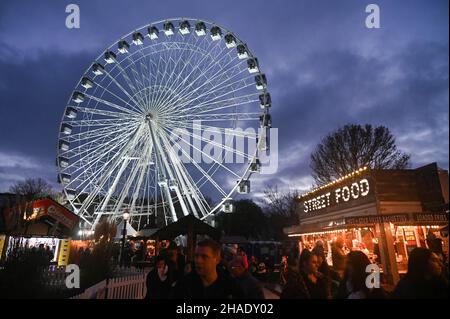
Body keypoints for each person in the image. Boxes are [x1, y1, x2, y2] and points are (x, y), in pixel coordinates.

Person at [171, 239, 244, 299]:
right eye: (196, 256)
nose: (198, 261)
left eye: (204, 257)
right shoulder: (183, 286)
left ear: (217, 260)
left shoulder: (231, 287)